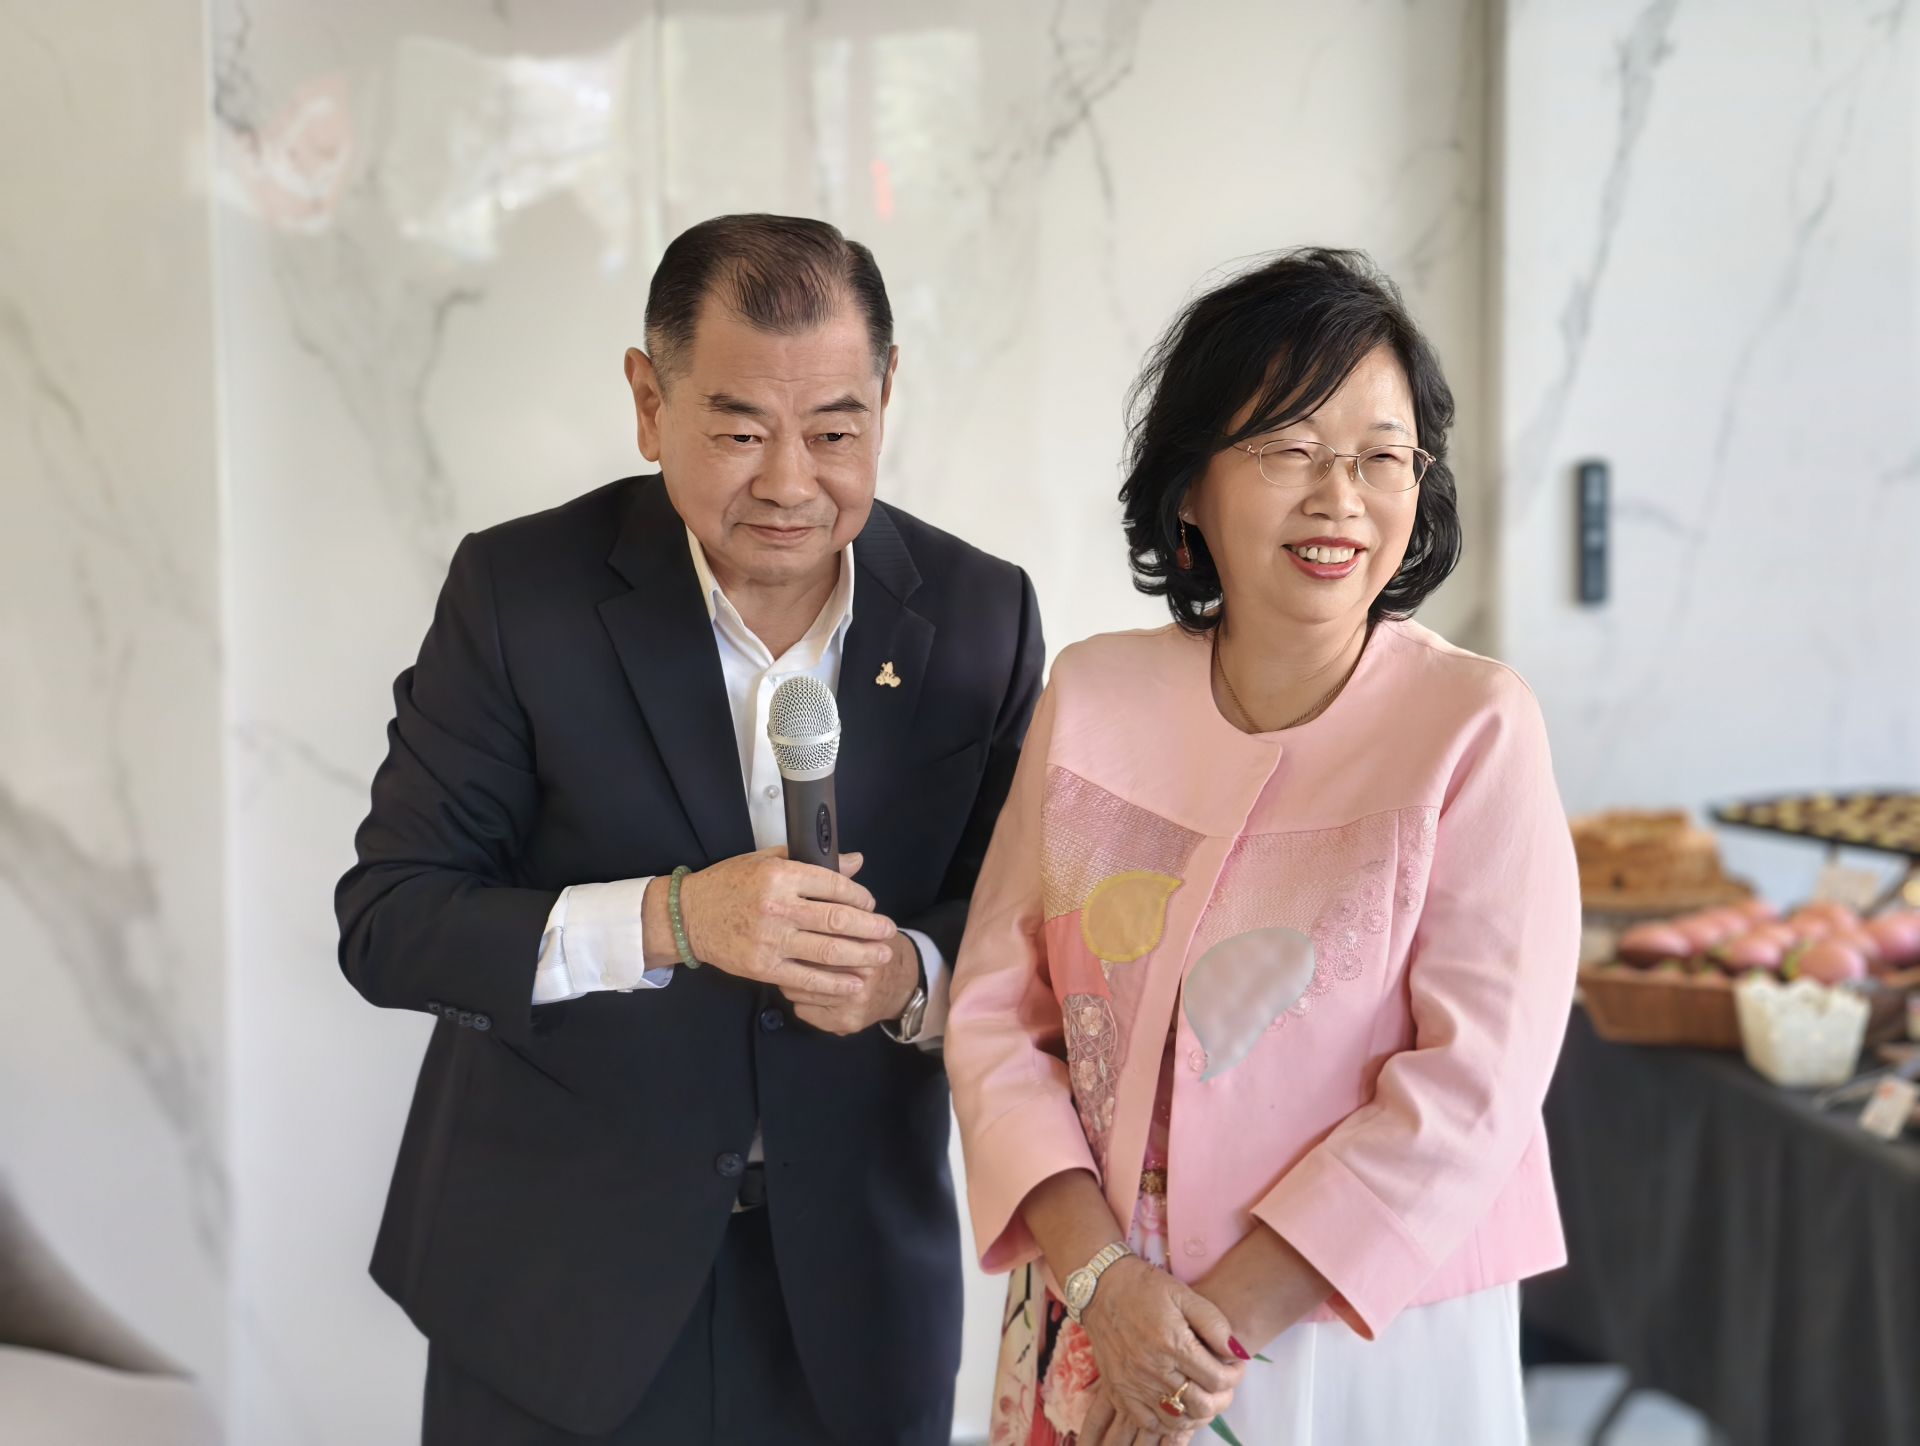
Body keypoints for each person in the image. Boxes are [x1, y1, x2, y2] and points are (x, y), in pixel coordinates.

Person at [337, 213, 1044, 1445]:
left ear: (887, 397)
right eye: (739, 430)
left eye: (835, 431)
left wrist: (906, 976)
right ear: (648, 401)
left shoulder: (984, 615)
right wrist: (672, 920)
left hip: (854, 1306)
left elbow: (1019, 931)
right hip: (556, 1291)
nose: (790, 482)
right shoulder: (520, 596)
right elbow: (391, 922)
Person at [946, 248, 1580, 1445]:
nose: (1340, 497)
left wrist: (1200, 1343)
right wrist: (1106, 1290)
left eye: (1381, 457)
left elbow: (1475, 1087)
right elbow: (993, 1015)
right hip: (1098, 1299)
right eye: (1289, 448)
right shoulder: (1092, 698)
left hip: (1355, 1327)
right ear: (1191, 485)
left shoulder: (1475, 727)